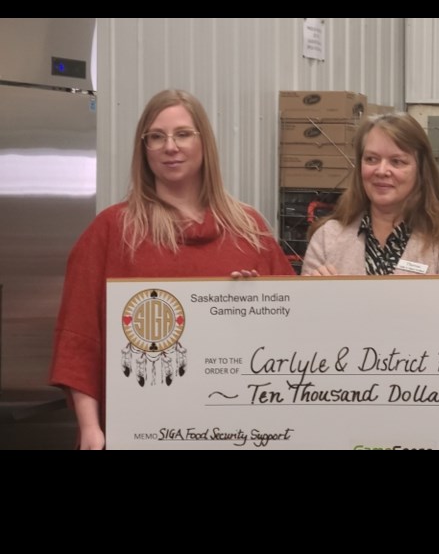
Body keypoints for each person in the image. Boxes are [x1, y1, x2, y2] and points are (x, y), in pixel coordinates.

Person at [50, 89, 295, 449]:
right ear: (143, 148)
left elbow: (288, 332)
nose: (170, 146)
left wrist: (255, 305)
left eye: (182, 134)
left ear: (203, 143)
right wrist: (90, 427)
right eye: (156, 137)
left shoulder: (249, 229)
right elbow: (80, 337)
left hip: (236, 430)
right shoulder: (112, 230)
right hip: (138, 431)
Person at [302, 113, 439, 276]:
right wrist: (316, 293)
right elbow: (303, 307)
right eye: (371, 159)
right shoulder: (327, 238)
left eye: (397, 161)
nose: (382, 171)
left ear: (421, 170)